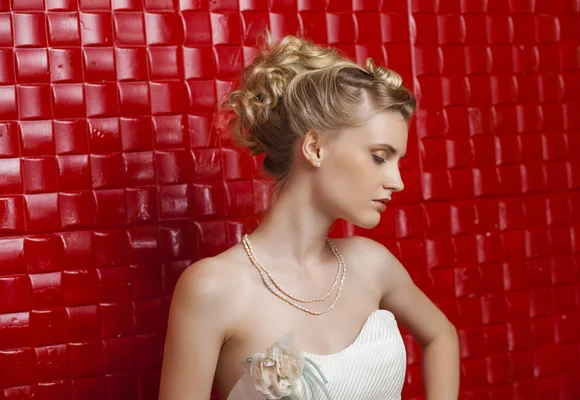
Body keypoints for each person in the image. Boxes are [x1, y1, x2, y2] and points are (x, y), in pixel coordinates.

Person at [158, 33, 460, 400]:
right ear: (315, 148)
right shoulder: (213, 288)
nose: (395, 181)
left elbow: (441, 335)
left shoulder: (372, 264)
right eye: (380, 156)